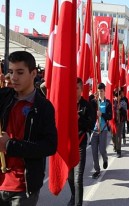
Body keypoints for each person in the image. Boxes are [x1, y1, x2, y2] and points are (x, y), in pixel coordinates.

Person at [0, 51, 57, 205]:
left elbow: (50, 146)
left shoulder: (44, 107)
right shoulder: (4, 97)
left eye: (20, 72)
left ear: (33, 73)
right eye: (11, 72)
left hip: (23, 187)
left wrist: (10, 145)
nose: (14, 77)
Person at [67, 78, 95, 206]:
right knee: (70, 177)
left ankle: (78, 204)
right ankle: (74, 196)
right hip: (68, 145)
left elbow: (91, 125)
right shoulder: (67, 103)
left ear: (81, 89)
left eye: (77, 88)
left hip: (80, 144)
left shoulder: (86, 105)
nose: (74, 90)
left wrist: (79, 118)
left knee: (78, 178)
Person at [90, 83, 112, 179]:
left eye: (101, 91)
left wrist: (101, 114)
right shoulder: (94, 102)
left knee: (102, 149)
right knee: (94, 151)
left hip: (103, 129)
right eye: (99, 92)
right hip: (95, 130)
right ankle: (97, 170)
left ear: (104, 91)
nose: (100, 93)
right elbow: (88, 105)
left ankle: (105, 159)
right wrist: (93, 98)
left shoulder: (107, 103)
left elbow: (110, 116)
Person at [112, 89, 127, 158]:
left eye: (117, 95)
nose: (116, 97)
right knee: (113, 136)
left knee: (118, 136)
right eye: (115, 95)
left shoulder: (123, 103)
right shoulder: (111, 102)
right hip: (113, 121)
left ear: (120, 96)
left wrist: (121, 108)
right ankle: (115, 145)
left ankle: (119, 151)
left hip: (120, 121)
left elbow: (125, 113)